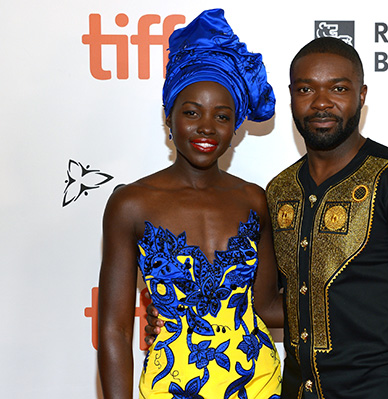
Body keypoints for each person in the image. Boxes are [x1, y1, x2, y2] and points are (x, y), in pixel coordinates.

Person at [146, 37, 388, 398]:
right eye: (306, 89)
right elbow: (272, 302)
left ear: (361, 96)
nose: (321, 102)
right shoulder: (278, 191)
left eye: (338, 88)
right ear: (292, 96)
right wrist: (181, 314)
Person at [97, 9, 282, 399]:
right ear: (169, 117)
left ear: (236, 127)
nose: (206, 127)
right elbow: (114, 330)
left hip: (260, 384)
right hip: (171, 387)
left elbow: (266, 307)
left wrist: (356, 304)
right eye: (191, 112)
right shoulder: (130, 204)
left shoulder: (253, 198)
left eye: (222, 116)